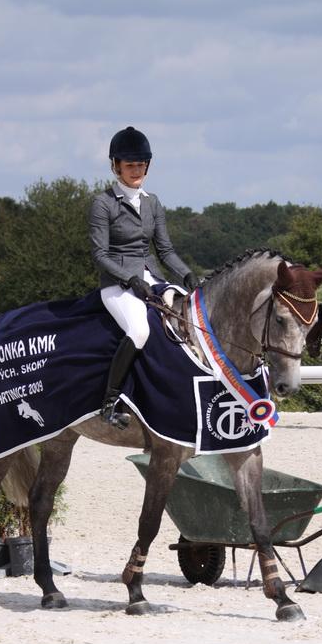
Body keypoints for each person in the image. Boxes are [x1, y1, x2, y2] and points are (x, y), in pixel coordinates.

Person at [90, 126, 198, 429]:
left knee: (183, 322)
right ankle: (110, 402)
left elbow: (165, 250)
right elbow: (100, 255)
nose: (136, 170)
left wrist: (188, 275)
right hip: (117, 284)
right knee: (139, 330)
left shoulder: (152, 202)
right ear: (116, 166)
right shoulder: (103, 203)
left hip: (152, 278)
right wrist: (130, 279)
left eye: (141, 165)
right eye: (130, 165)